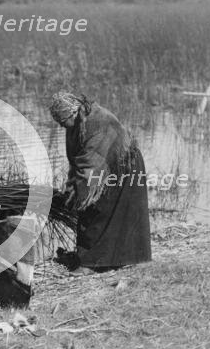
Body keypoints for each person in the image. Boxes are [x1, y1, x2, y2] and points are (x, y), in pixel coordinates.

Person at [49, 92, 151, 270]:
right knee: (93, 211)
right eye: (58, 122)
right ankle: (95, 258)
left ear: (74, 112)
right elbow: (78, 161)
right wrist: (71, 188)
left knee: (105, 212)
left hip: (123, 164)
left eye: (63, 121)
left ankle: (95, 262)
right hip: (103, 165)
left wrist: (76, 194)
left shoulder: (99, 122)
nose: (61, 126)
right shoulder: (76, 125)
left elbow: (91, 166)